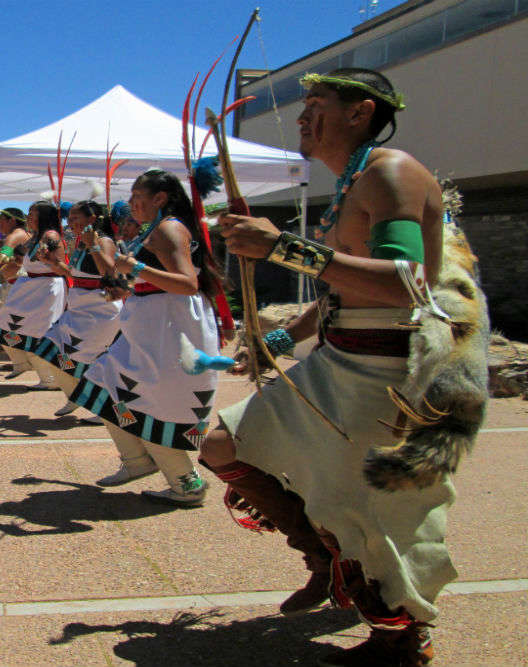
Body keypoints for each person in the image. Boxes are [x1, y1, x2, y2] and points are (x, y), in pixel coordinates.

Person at [200, 68, 489, 665]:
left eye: (315, 104)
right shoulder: (353, 182)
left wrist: (281, 246)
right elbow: (341, 289)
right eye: (302, 107)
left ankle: (400, 638)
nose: (303, 117)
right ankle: (325, 559)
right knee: (222, 444)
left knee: (370, 515)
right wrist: (281, 337)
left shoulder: (392, 171)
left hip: (384, 374)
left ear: (359, 112)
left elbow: (406, 285)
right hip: (336, 361)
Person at [66, 169, 227, 507]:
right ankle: (139, 462)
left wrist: (136, 270)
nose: (132, 205)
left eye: (139, 199)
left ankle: (186, 483)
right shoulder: (154, 229)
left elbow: (187, 283)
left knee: (146, 399)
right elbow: (134, 276)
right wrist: (125, 286)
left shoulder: (169, 229)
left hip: (170, 331)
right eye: (132, 198)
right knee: (106, 384)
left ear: (160, 199)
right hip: (152, 328)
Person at [27, 200, 124, 419]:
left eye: (75, 218)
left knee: (92, 361)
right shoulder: (81, 242)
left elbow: (110, 272)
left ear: (92, 219)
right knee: (48, 348)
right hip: (80, 310)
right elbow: (72, 274)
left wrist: (94, 246)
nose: (69, 223)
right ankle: (76, 397)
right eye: (69, 218)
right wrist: (50, 261)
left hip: (101, 311)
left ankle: (101, 408)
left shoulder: (104, 240)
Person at [0, 201, 67, 387]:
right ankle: (24, 364)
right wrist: (2, 255)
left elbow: (60, 265)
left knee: (39, 333)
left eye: (33, 213)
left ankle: (50, 378)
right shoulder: (33, 237)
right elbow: (8, 253)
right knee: (2, 326)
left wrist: (47, 259)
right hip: (29, 289)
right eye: (29, 212)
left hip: (46, 290)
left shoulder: (45, 235)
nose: (29, 216)